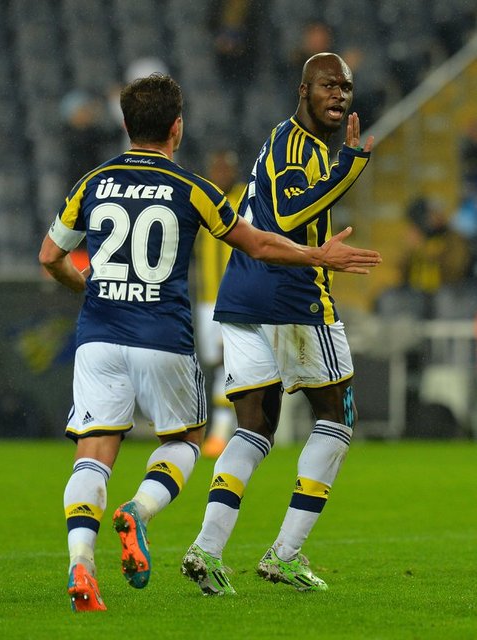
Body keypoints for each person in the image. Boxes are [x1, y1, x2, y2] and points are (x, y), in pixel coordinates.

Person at [39, 73, 380, 612]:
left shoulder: (93, 181)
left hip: (104, 331)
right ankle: (152, 514)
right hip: (170, 332)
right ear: (177, 127)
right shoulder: (191, 186)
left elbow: (49, 256)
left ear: (125, 124)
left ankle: (86, 562)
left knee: (98, 454)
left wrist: (86, 286)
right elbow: (263, 240)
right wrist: (319, 252)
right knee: (193, 440)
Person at [181, 53, 376, 596]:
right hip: (292, 297)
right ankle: (285, 555)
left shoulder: (287, 140)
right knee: (337, 417)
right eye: (327, 85)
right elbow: (289, 216)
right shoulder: (298, 147)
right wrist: (350, 167)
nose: (339, 95)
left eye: (346, 87)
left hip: (242, 297)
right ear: (302, 91)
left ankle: (206, 549)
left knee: (254, 428)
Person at [194, 149, 245, 458]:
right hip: (205, 301)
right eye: (216, 168)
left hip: (235, 297)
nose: (220, 173)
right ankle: (234, 425)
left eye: (225, 168)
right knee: (216, 365)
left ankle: (221, 432)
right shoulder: (203, 200)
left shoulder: (245, 198)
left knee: (229, 362)